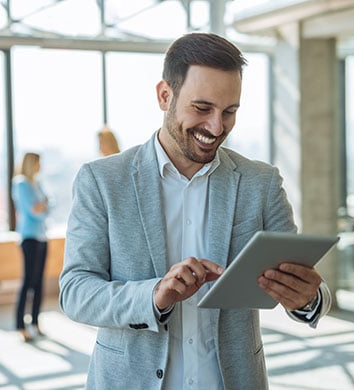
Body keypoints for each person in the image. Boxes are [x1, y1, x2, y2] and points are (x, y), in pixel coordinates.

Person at [59, 32, 332, 389]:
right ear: (164, 95)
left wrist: (308, 298)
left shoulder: (260, 183)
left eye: (229, 111)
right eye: (202, 108)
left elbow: (309, 284)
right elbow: (75, 291)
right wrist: (155, 294)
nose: (216, 127)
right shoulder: (102, 181)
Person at [12, 152, 49, 342]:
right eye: (38, 163)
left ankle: (35, 321)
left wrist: (42, 206)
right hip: (29, 237)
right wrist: (42, 206)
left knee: (39, 283)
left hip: (42, 236)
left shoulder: (38, 184)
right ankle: (20, 324)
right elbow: (33, 210)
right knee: (27, 282)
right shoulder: (20, 183)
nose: (40, 166)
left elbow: (46, 206)